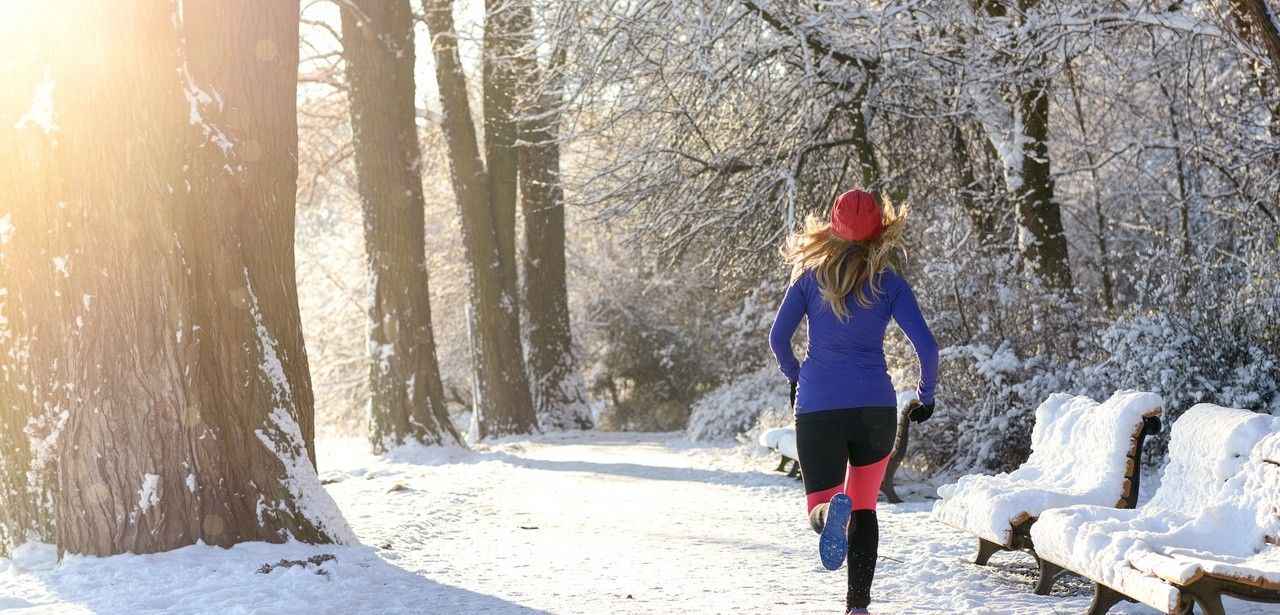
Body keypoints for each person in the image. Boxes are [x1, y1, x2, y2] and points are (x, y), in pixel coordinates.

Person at [769, 189, 939, 615]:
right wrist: (925, 396)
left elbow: (777, 338)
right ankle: (858, 607)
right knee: (865, 507)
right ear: (880, 229)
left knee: (820, 505)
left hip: (818, 407)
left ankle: (829, 517)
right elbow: (928, 348)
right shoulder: (890, 282)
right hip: (874, 410)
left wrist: (796, 376)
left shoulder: (810, 277)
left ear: (833, 225)